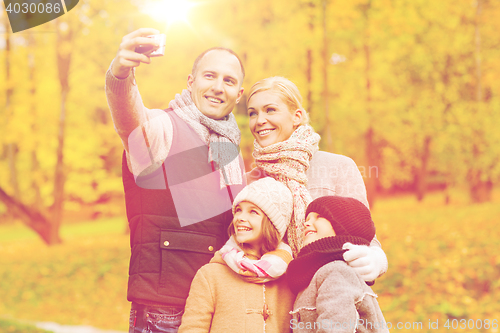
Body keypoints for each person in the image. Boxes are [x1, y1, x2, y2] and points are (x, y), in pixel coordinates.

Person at [105, 28, 247, 333]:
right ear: (191, 81)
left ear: (239, 94)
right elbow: (130, 119)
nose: (218, 87)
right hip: (165, 312)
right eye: (210, 76)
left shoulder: (230, 150)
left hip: (216, 309)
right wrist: (120, 76)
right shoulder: (162, 129)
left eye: (229, 81)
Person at [245, 76, 388, 282]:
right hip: (269, 303)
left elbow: (366, 237)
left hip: (326, 295)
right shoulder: (249, 181)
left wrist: (375, 259)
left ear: (297, 116)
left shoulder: (339, 167)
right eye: (253, 113)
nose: (259, 121)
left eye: (270, 110)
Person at [178, 177, 296, 333]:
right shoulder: (211, 275)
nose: (240, 218)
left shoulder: (291, 278)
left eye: (253, 212)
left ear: (273, 223)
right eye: (238, 210)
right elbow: (192, 328)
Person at [287, 196, 389, 333]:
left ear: (343, 227)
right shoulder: (317, 273)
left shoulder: (336, 271)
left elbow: (335, 328)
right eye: (307, 219)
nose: (307, 223)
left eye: (319, 217)